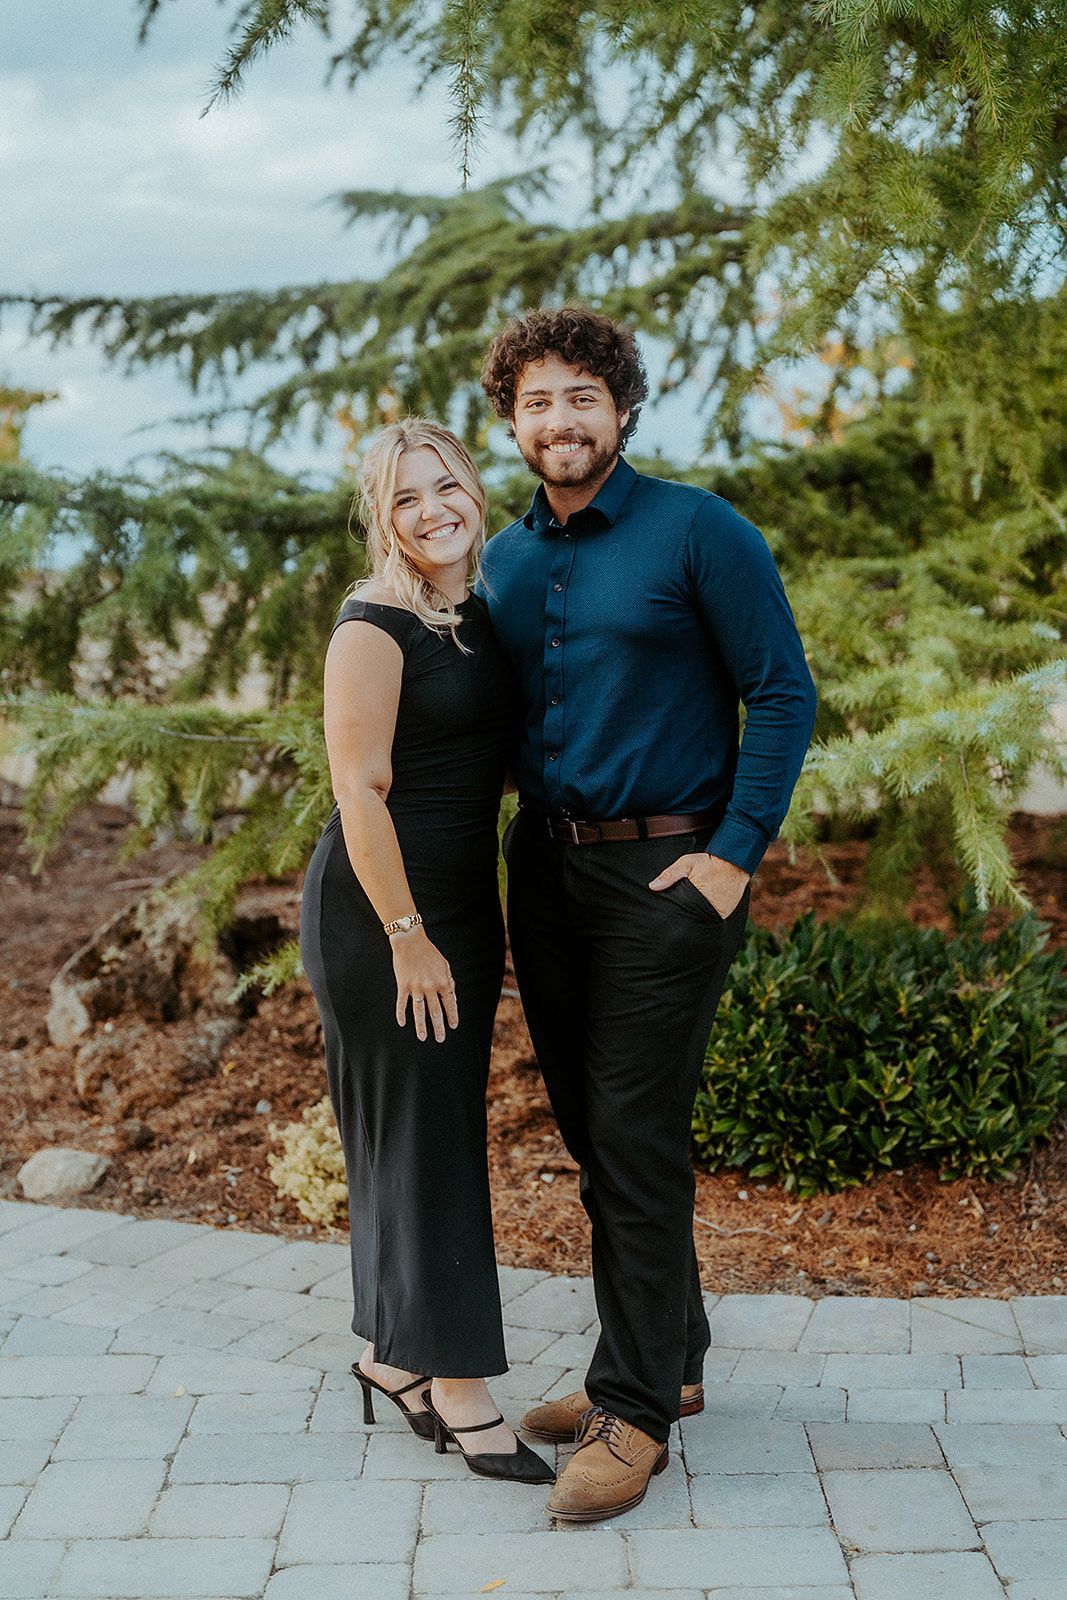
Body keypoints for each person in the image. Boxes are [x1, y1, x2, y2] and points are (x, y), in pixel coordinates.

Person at [476, 306, 818, 1522]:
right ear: (509, 419)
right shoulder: (505, 558)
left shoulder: (698, 529)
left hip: (669, 876)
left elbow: (781, 694)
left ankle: (628, 1411)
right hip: (549, 874)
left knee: (632, 1131)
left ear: (621, 409)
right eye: (534, 400)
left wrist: (733, 855)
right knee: (590, 1125)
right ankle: (671, 1356)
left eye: (580, 396)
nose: (557, 420)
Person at [299, 417, 553, 1486]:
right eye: (404, 497)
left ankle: (386, 1355)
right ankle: (455, 1383)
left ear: (472, 487)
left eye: (442, 483)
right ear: (382, 516)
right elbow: (358, 788)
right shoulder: (374, 623)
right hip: (382, 912)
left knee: (419, 1132)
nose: (430, 508)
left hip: (456, 899)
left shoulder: (475, 614)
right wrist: (407, 937)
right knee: (428, 1139)